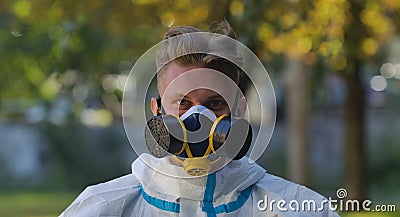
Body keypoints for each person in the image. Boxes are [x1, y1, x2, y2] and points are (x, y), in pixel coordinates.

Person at [59, 21, 340, 217]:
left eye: (214, 103)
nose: (198, 118)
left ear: (239, 110)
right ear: (157, 110)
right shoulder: (105, 207)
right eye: (183, 104)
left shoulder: (299, 208)